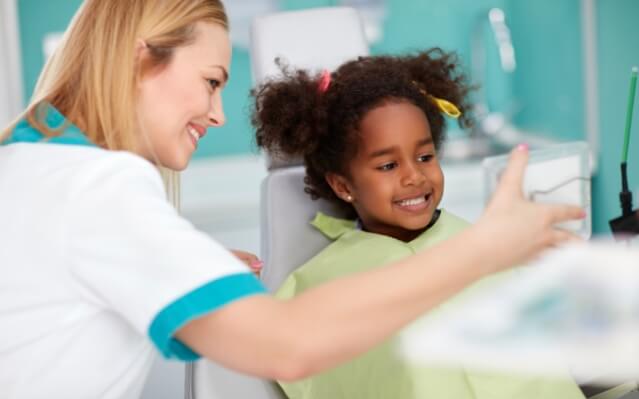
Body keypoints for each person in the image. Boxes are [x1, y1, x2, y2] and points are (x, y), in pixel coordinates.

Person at [0, 1, 584, 397]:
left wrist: (177, 266)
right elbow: (288, 347)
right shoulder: (98, 189)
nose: (217, 112)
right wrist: (483, 250)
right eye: (211, 80)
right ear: (139, 56)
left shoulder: (33, 166)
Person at [252, 49, 586, 399]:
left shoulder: (479, 242)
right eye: (388, 166)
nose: (415, 176)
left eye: (425, 157)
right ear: (343, 185)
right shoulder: (320, 283)